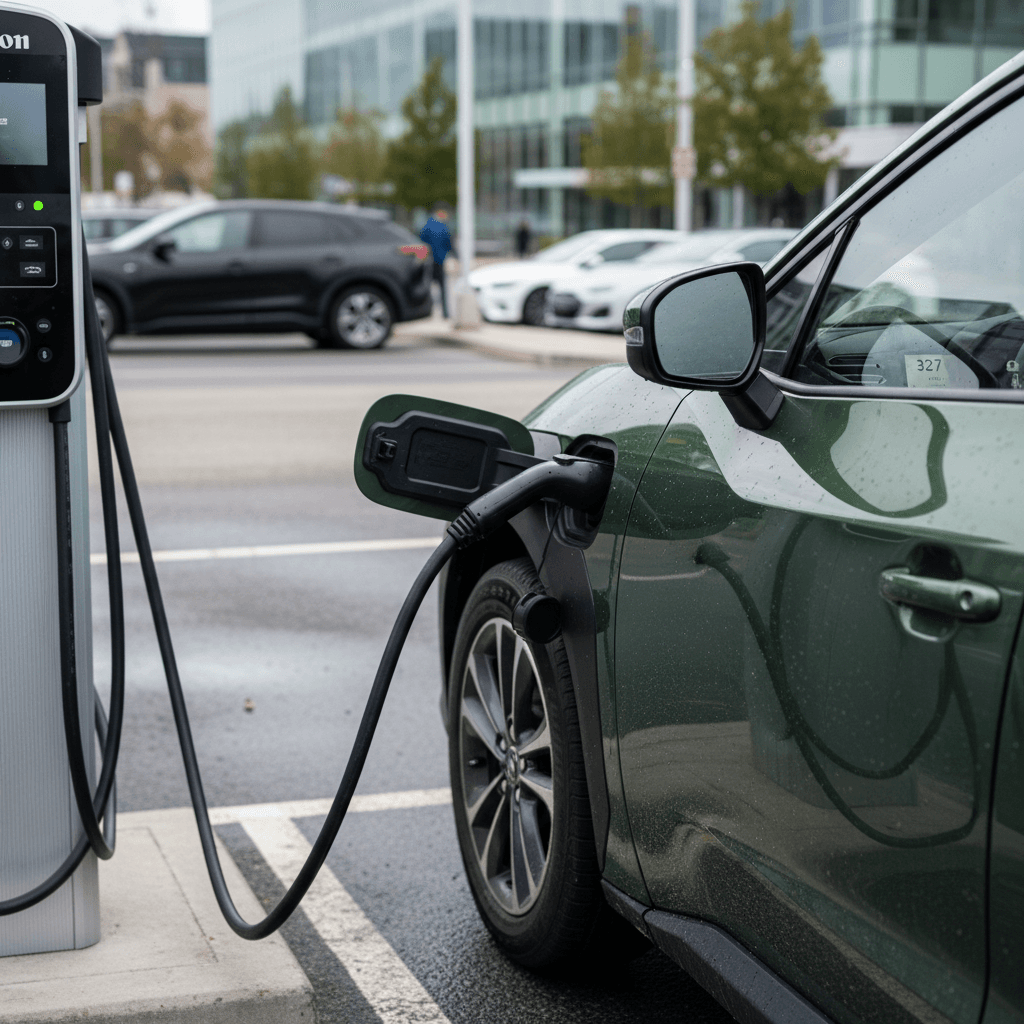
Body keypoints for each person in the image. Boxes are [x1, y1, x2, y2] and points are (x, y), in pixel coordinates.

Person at [420, 203, 453, 318]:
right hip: (440, 261)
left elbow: (422, 242)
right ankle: (445, 313)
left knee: (428, 287)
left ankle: (427, 311)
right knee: (442, 288)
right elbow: (449, 244)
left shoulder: (428, 226)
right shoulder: (443, 228)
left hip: (429, 260)